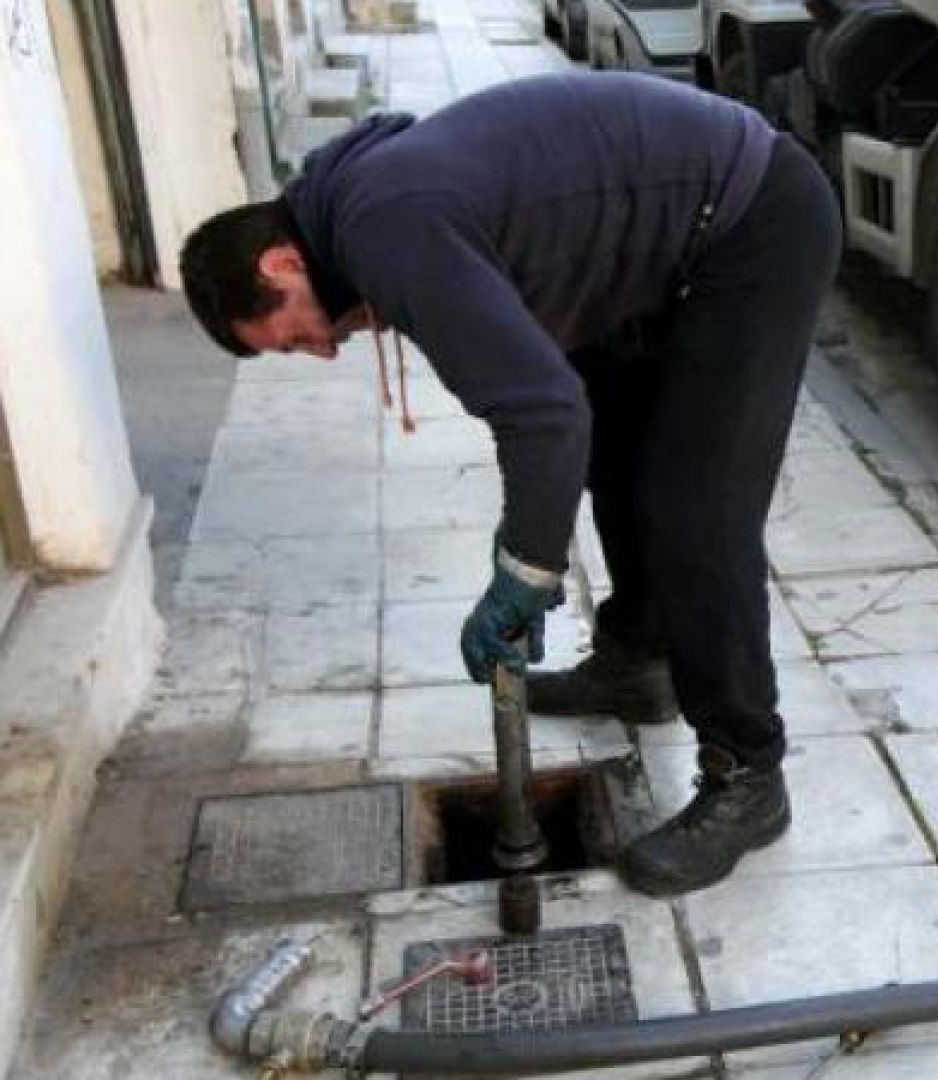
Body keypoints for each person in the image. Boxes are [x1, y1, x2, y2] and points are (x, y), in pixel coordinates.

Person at [178, 71, 842, 895]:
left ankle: (749, 773)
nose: (320, 351)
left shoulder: (383, 227)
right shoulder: (358, 212)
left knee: (698, 512)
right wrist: (533, 539)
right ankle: (640, 661)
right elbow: (555, 400)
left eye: (291, 336)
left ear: (281, 261)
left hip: (753, 222)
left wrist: (524, 571)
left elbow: (540, 412)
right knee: (616, 450)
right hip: (666, 240)